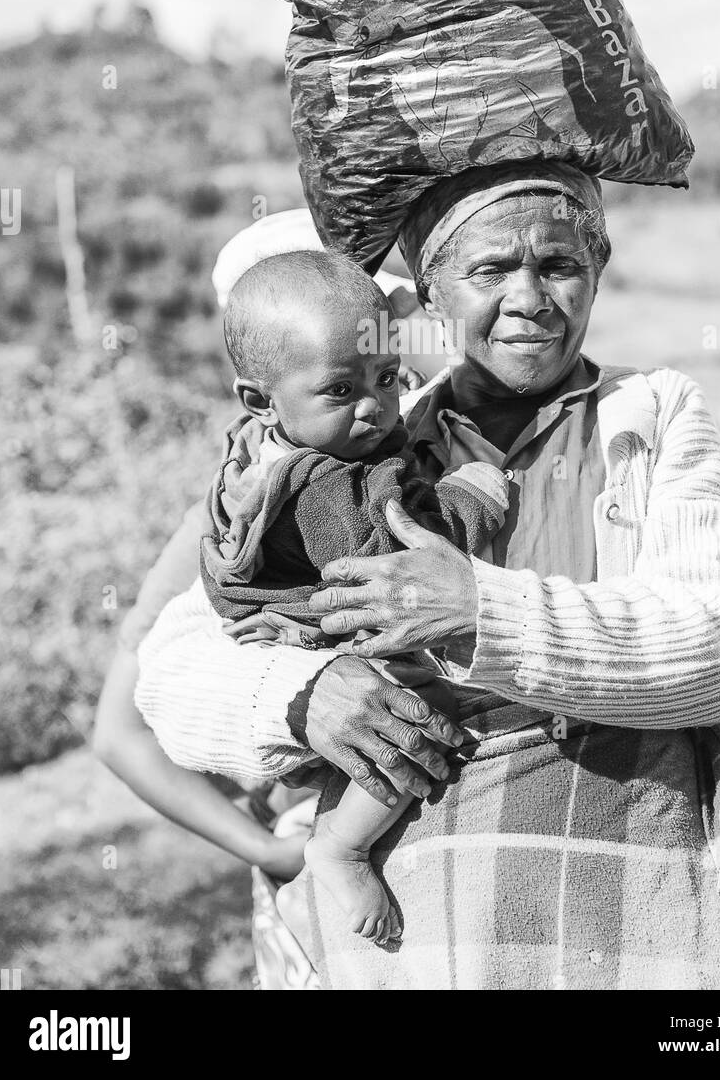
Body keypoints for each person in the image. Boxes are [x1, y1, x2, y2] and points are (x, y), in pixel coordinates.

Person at [134, 162, 720, 990]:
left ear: (599, 273)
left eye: (561, 265)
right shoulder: (359, 443)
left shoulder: (652, 415)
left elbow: (718, 651)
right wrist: (305, 694)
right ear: (428, 293)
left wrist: (479, 609)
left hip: (638, 908)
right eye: (490, 269)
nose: (531, 298)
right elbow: (167, 672)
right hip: (419, 936)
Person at [199, 248, 508, 943]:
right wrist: (474, 493)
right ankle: (342, 845)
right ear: (259, 398)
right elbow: (402, 556)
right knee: (417, 715)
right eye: (342, 392)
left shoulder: (263, 453)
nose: (376, 407)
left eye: (388, 377)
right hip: (340, 639)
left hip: (300, 624)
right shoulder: (326, 489)